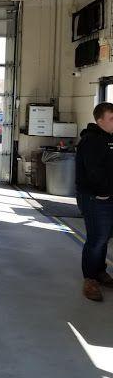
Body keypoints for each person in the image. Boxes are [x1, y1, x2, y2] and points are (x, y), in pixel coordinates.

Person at [76, 102, 113, 302]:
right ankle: (90, 279)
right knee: (97, 238)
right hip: (95, 197)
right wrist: (103, 193)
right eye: (112, 118)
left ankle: (100, 272)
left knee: (104, 237)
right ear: (100, 121)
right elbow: (93, 172)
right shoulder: (91, 141)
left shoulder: (109, 139)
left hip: (107, 196)